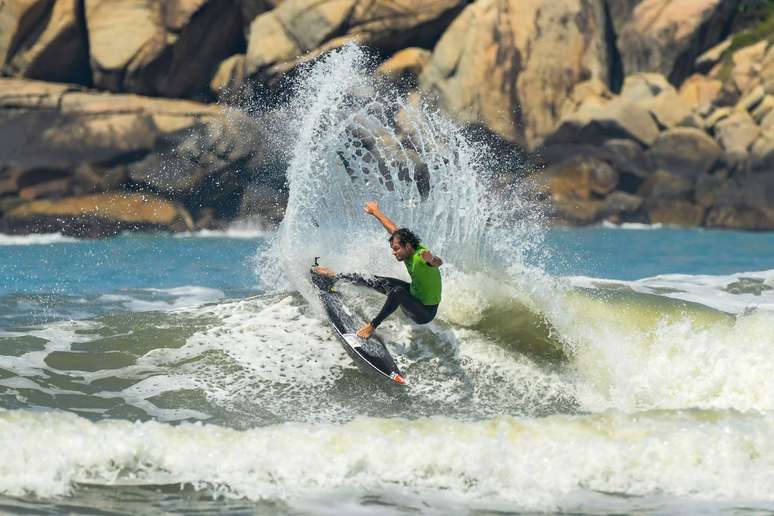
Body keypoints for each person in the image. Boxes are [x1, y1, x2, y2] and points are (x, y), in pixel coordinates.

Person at [312, 201, 443, 339]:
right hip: (414, 294)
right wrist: (375, 212)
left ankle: (372, 326)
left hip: (424, 313)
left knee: (397, 292)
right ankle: (334, 276)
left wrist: (432, 260)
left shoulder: (422, 257)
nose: (394, 253)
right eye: (393, 249)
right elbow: (393, 229)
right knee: (375, 280)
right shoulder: (408, 245)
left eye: (396, 249)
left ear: (408, 246)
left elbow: (436, 262)